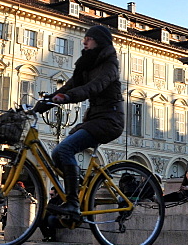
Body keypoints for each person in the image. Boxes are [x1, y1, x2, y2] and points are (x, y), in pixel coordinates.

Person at [40, 24, 125, 219]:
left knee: (64, 150)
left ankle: (72, 203)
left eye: (89, 38)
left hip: (110, 120)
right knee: (57, 154)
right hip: (94, 120)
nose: (84, 41)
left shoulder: (110, 65)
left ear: (99, 41)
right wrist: (43, 103)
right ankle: (77, 188)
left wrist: (67, 98)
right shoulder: (87, 64)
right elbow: (70, 85)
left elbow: (93, 88)